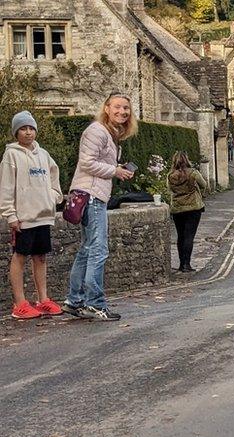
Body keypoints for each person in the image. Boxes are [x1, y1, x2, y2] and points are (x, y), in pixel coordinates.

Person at [64, 92, 137, 322]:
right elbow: (86, 163)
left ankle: (74, 301)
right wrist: (114, 170)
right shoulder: (96, 131)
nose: (122, 112)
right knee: (98, 250)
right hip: (92, 196)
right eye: (117, 107)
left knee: (87, 249)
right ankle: (94, 304)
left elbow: (99, 163)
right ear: (106, 108)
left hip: (92, 194)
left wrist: (117, 167)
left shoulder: (108, 133)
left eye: (126, 108)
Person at [0, 111, 64, 319]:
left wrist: (53, 196)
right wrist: (10, 214)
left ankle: (43, 299)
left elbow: (54, 175)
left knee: (41, 257)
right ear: (16, 132)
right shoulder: (11, 155)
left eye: (31, 128)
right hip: (23, 217)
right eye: (23, 129)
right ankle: (20, 303)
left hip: (43, 215)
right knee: (20, 257)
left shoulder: (43, 154)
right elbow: (6, 187)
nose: (28, 133)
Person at [167, 151, 206, 273]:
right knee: (189, 236)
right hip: (193, 208)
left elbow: (169, 189)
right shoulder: (193, 173)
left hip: (178, 208)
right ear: (186, 160)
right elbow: (204, 184)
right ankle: (187, 264)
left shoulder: (170, 175)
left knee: (181, 236)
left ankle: (181, 264)